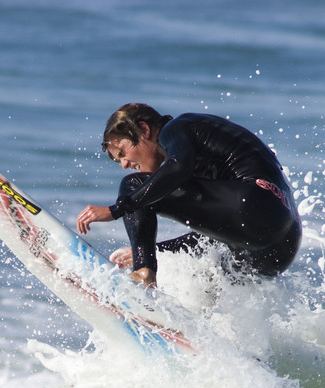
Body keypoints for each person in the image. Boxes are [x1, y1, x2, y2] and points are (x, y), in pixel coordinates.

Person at [76, 103, 302, 287]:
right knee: (211, 276)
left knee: (133, 184)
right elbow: (211, 238)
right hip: (281, 245)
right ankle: (201, 336)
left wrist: (117, 210)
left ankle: (144, 274)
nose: (124, 164)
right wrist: (150, 249)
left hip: (255, 203)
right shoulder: (207, 163)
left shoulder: (175, 128)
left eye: (123, 153)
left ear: (144, 130)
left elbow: (177, 168)